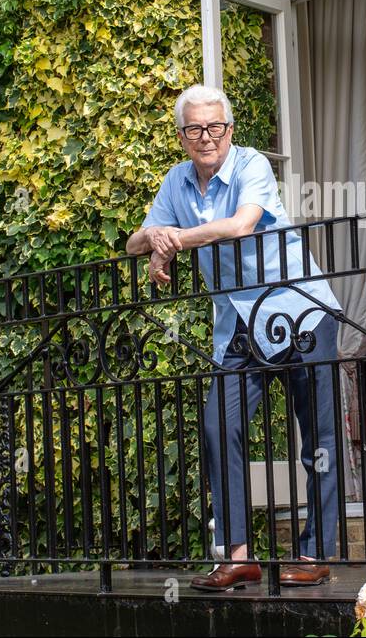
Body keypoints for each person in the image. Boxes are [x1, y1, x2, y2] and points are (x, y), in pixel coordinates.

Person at [126, 84, 342, 590]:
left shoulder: (252, 166)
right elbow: (136, 240)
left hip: (301, 315)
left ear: (229, 129)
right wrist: (156, 239)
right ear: (182, 136)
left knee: (320, 440)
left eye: (216, 127)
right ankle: (238, 554)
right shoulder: (176, 181)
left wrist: (174, 239)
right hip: (240, 328)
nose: (208, 138)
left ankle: (315, 553)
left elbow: (242, 225)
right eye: (196, 129)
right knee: (218, 427)